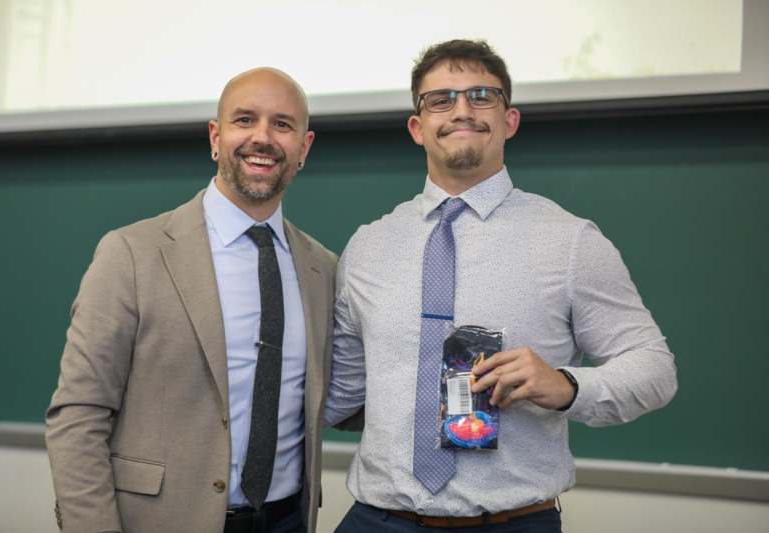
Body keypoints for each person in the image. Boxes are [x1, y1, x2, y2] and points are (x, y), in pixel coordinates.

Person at [325, 39, 678, 532]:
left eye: (481, 96)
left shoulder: (571, 242)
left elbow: (655, 369)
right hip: (378, 519)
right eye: (440, 99)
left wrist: (567, 385)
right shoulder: (367, 246)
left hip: (511, 522)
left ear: (509, 120)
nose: (461, 110)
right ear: (417, 127)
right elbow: (340, 392)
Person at [46, 68, 337, 533]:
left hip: (287, 520)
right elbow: (79, 413)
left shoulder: (323, 269)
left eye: (282, 124)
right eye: (245, 120)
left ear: (303, 148)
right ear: (216, 138)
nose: (262, 137)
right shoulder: (131, 254)